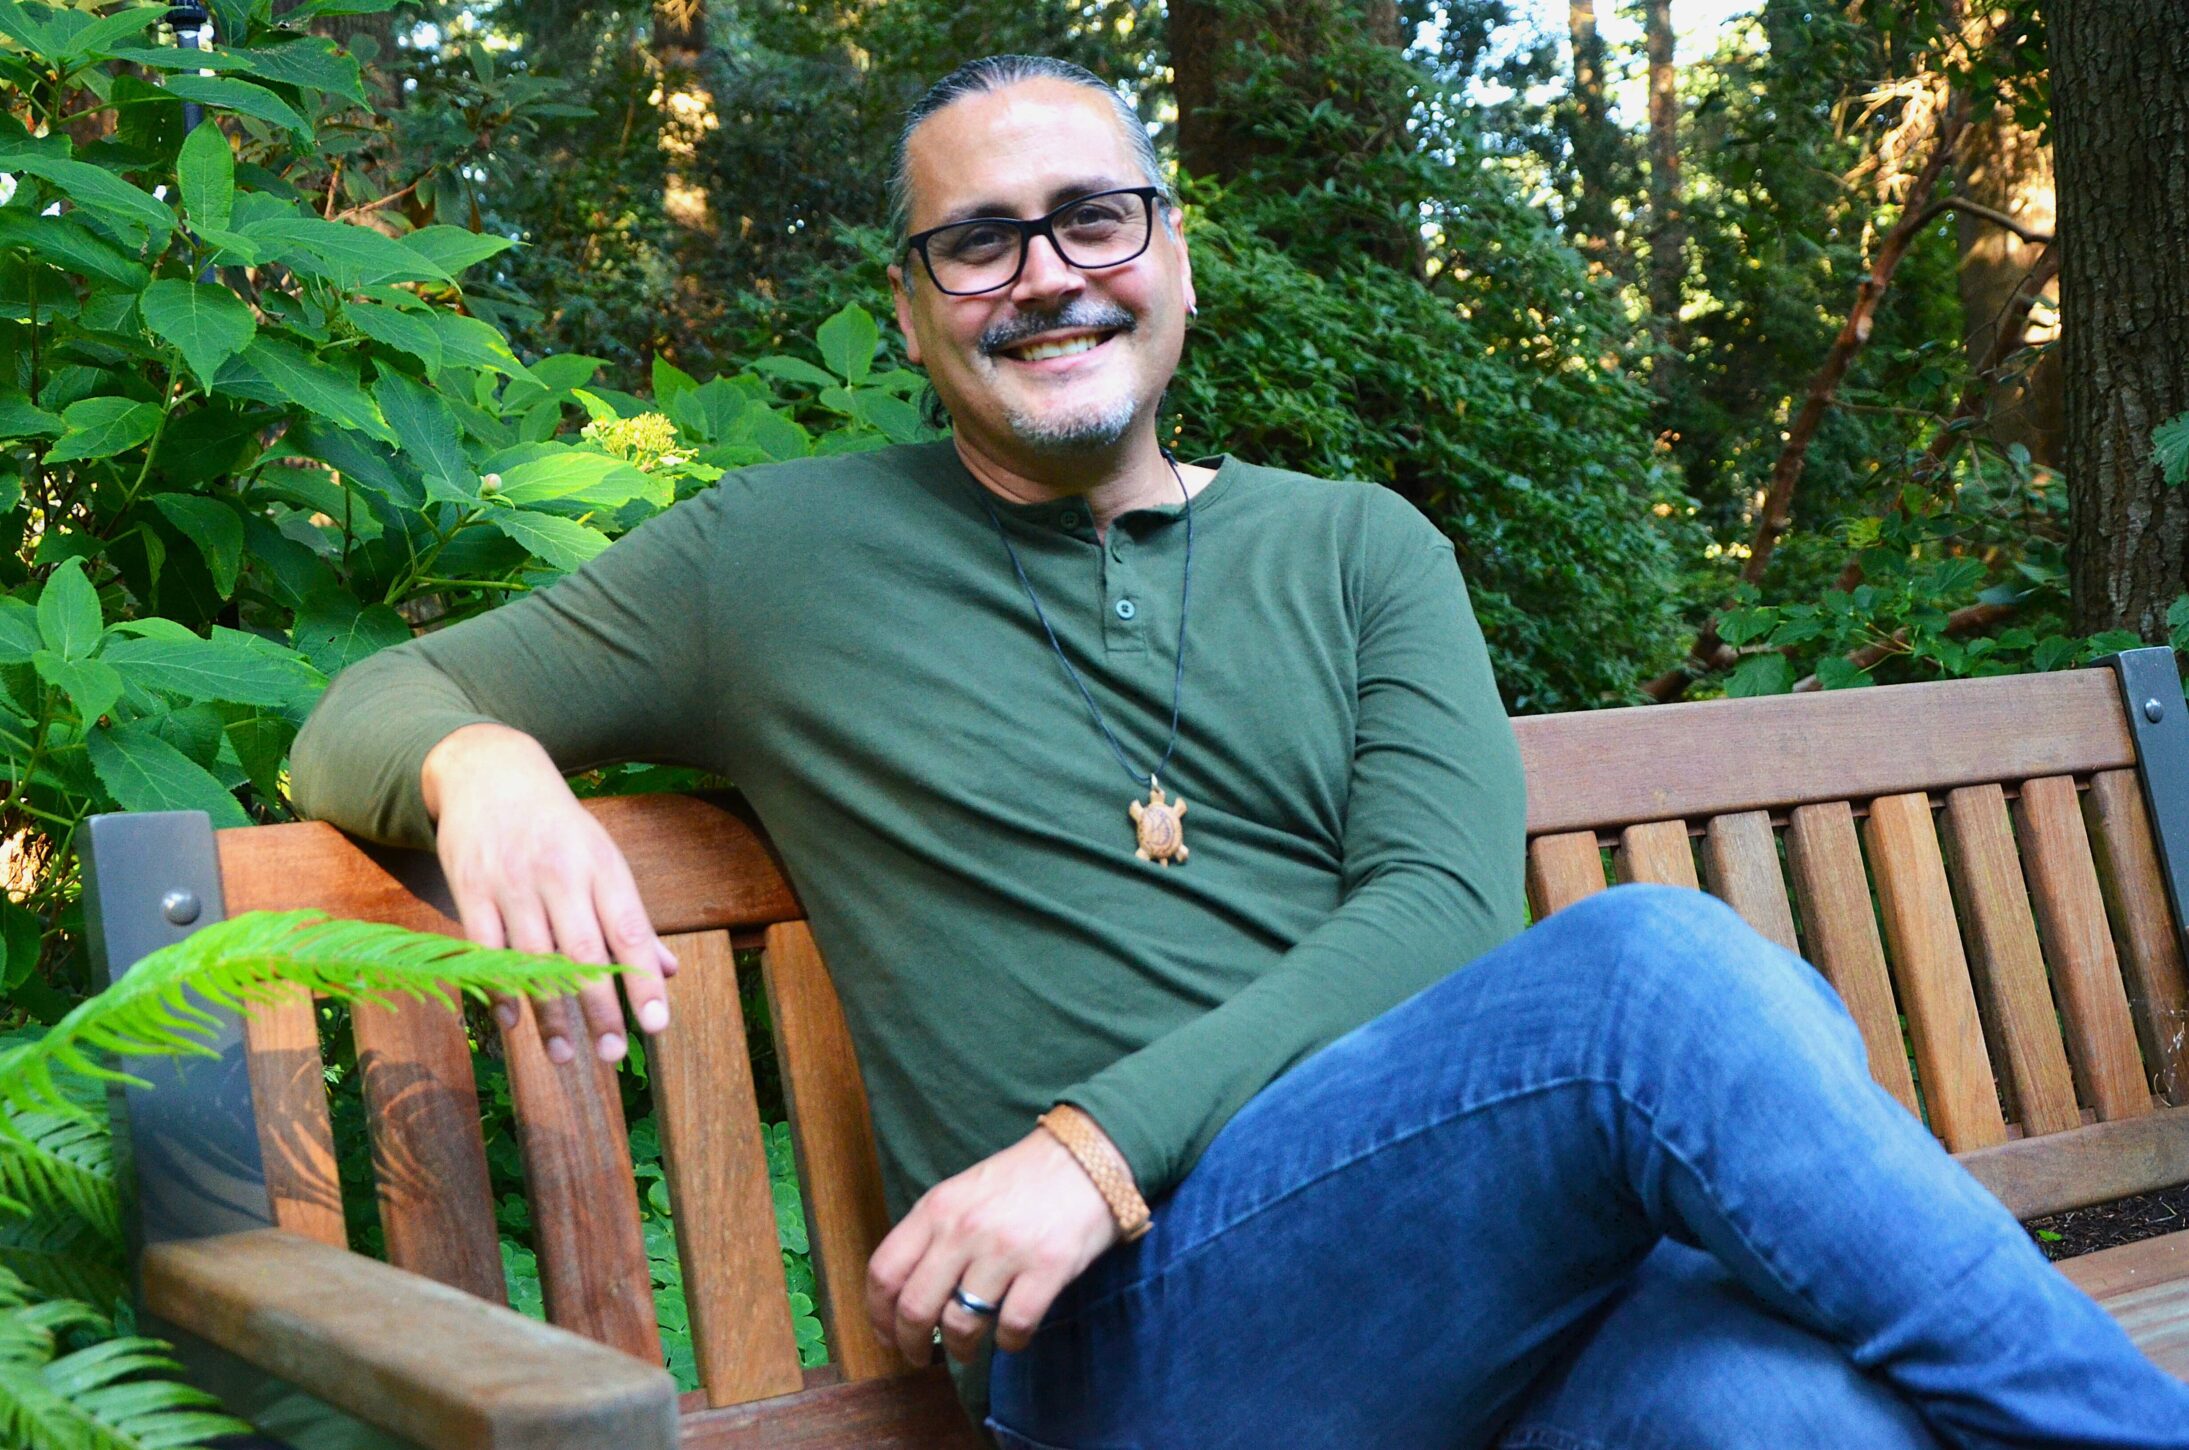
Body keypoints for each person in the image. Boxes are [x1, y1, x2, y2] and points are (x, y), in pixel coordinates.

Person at [290, 54, 2189, 1450]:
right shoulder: (774, 560)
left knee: (1791, 1423)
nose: (1045, 273)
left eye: (1091, 217)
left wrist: (1092, 1141)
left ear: (1172, 256)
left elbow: (1441, 911)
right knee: (1653, 974)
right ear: (909, 305)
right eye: (976, 242)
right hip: (1139, 1343)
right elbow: (357, 707)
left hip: (1470, 1290)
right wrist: (488, 768)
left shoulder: (1357, 546)